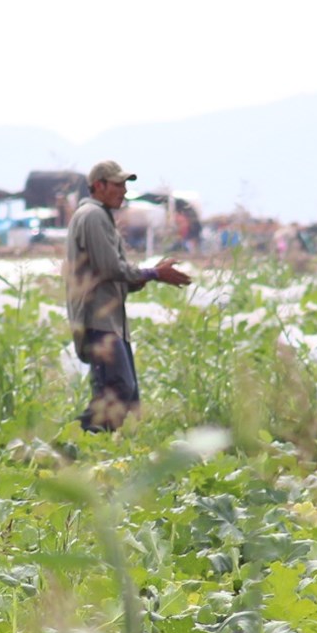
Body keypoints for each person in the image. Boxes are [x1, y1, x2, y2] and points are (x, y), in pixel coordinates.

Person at [66, 159, 191, 430]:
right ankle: (69, 443)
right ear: (98, 186)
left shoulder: (100, 216)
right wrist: (155, 274)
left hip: (109, 320)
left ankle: (89, 449)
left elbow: (112, 275)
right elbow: (111, 268)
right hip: (98, 320)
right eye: (117, 184)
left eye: (124, 184)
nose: (123, 190)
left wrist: (148, 275)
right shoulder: (93, 216)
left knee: (123, 393)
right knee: (118, 390)